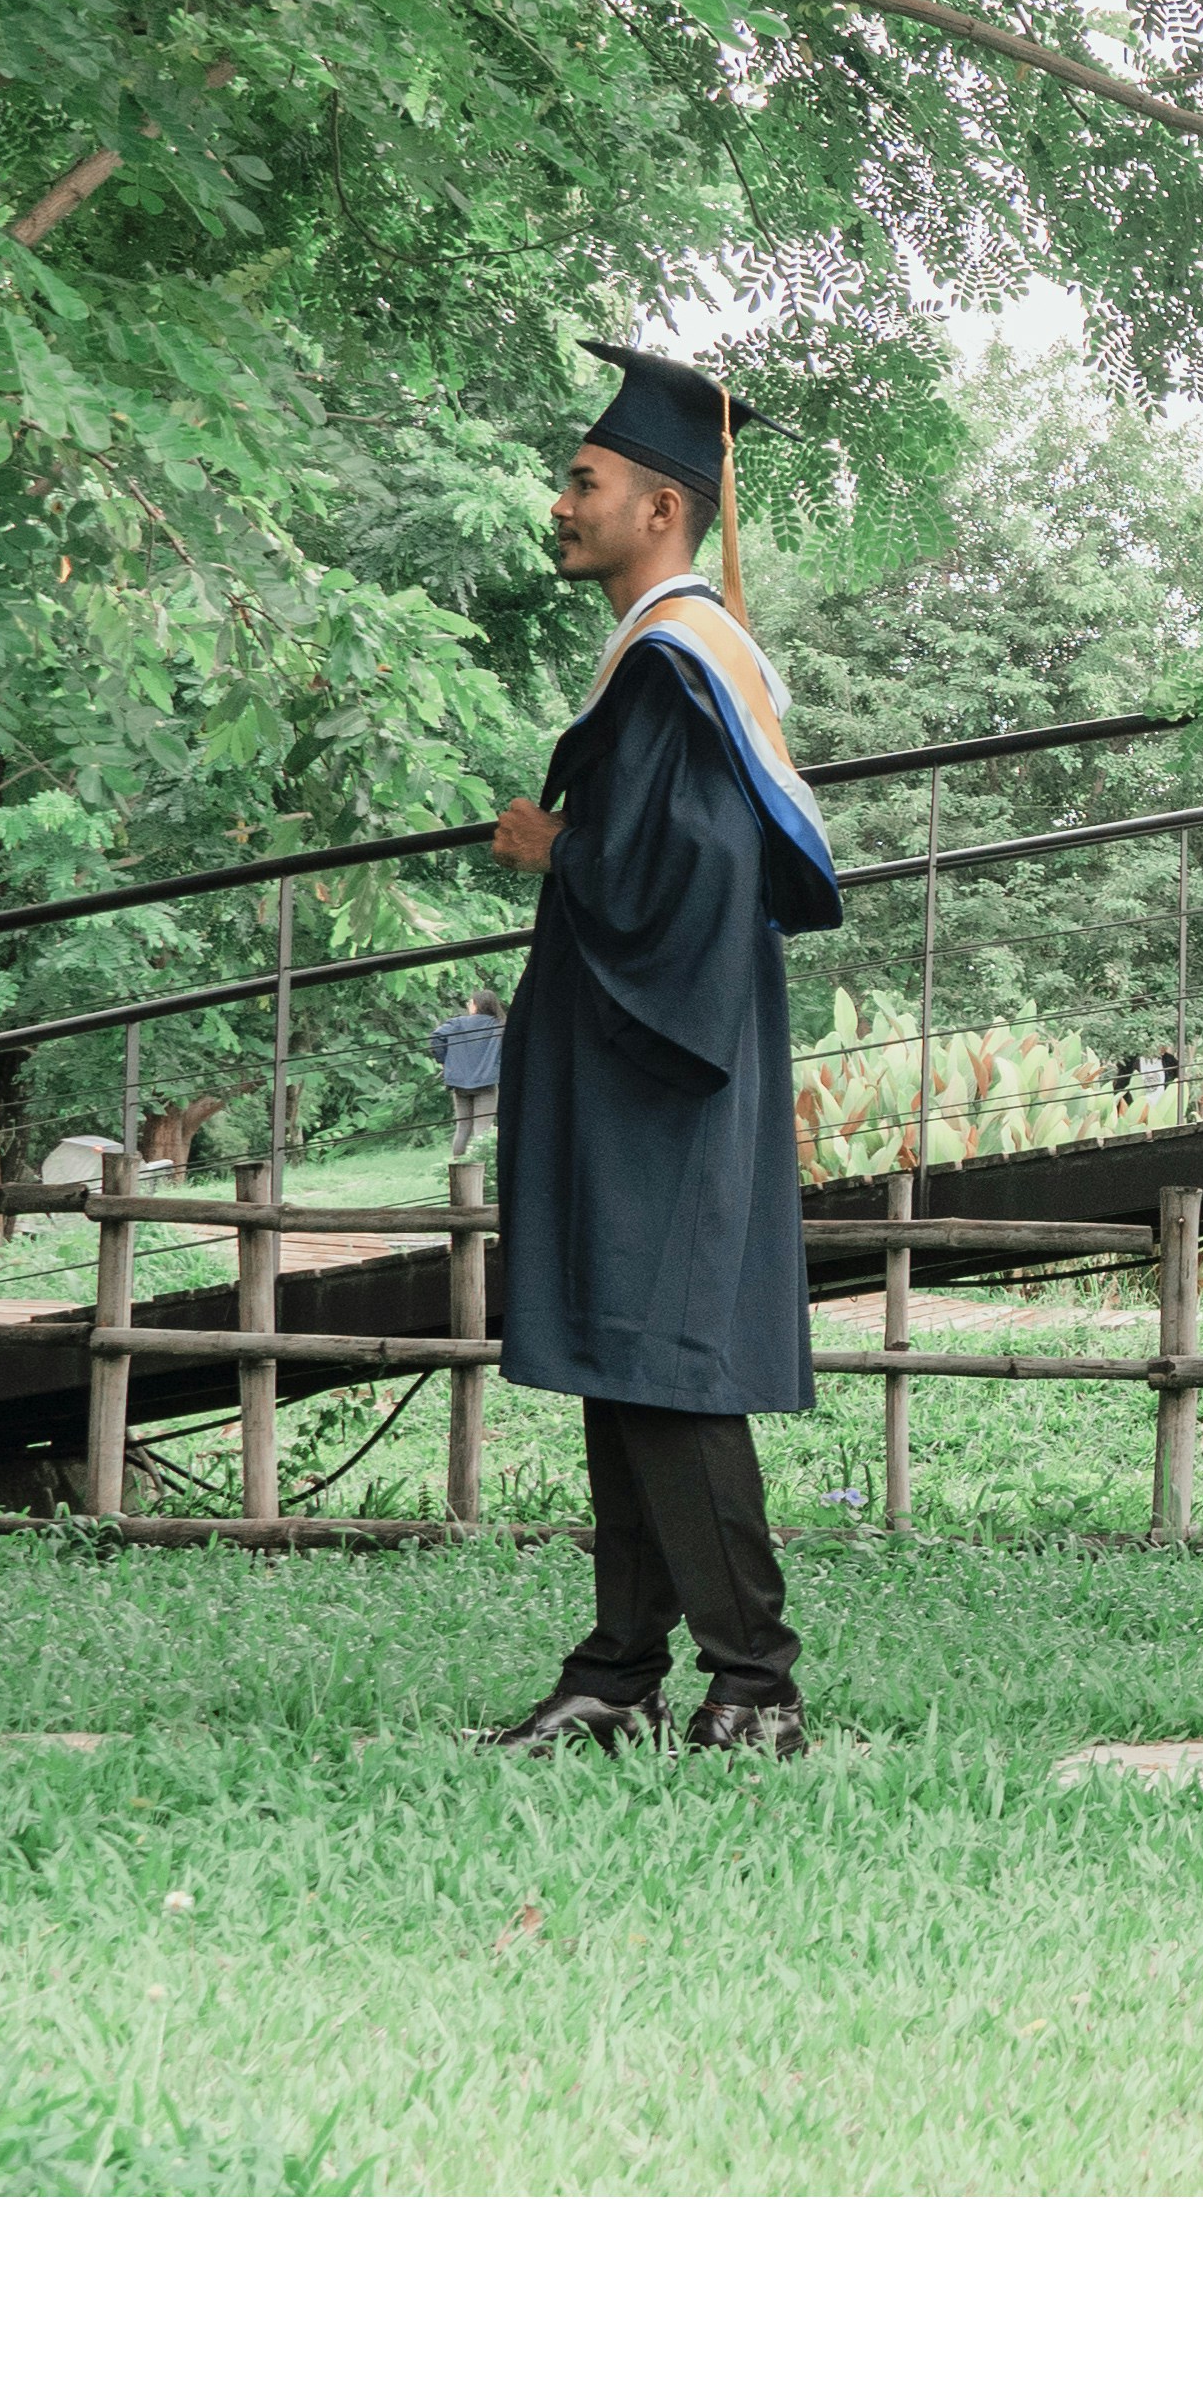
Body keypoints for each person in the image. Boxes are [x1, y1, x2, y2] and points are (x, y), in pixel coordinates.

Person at [471, 344, 847, 1760]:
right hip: (633, 1056)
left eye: (585, 482)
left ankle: (756, 1681)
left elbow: (686, 879)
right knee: (626, 1360)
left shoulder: (684, 670)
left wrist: (555, 846)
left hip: (664, 1067)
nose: (561, 504)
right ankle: (616, 1670)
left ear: (662, 511)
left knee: (672, 1363)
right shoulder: (662, 664)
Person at [431, 991, 505, 1169]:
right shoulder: (500, 1025)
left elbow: (436, 1037)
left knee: (462, 1128)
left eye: (470, 1002)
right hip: (487, 1084)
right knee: (483, 1129)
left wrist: (444, 1061)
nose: (468, 1006)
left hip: (459, 1084)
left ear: (476, 1005)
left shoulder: (457, 1023)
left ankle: (458, 1170)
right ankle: (484, 1172)